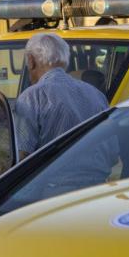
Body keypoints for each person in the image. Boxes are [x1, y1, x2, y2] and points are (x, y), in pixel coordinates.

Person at [15, 33, 109, 161]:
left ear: (31, 61)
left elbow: (22, 155)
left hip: (49, 180)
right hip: (99, 180)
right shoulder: (97, 95)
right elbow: (111, 153)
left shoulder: (31, 97)